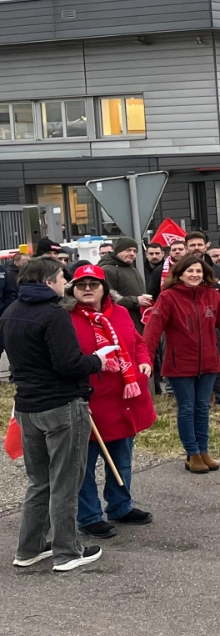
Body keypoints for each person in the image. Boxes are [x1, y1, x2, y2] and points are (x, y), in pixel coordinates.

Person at [3, 257, 115, 572]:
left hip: (27, 408)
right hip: (61, 406)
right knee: (65, 480)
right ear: (50, 280)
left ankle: (30, 547)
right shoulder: (54, 315)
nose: (65, 283)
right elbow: (68, 364)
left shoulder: (11, 311)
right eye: (62, 278)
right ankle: (67, 551)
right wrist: (96, 361)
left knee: (39, 481)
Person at [66, 264, 156, 538]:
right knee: (84, 465)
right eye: (82, 285)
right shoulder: (65, 318)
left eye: (94, 284)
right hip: (90, 401)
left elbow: (138, 342)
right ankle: (89, 516)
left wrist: (143, 362)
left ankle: (120, 506)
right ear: (73, 289)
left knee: (122, 458)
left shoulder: (119, 313)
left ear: (105, 289)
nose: (88, 289)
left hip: (124, 399)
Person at [141, 253, 220, 473]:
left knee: (203, 407)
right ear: (180, 274)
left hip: (209, 361)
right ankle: (192, 453)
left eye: (198, 271)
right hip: (179, 363)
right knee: (187, 407)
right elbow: (153, 330)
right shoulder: (169, 297)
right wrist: (145, 358)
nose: (194, 274)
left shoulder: (212, 296)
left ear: (205, 275)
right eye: (190, 271)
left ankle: (203, 450)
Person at [96, 237, 147, 333]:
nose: (132, 254)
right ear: (117, 251)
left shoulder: (130, 268)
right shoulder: (107, 270)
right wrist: (135, 301)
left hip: (136, 321)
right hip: (121, 324)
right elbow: (107, 299)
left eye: (135, 251)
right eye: (128, 250)